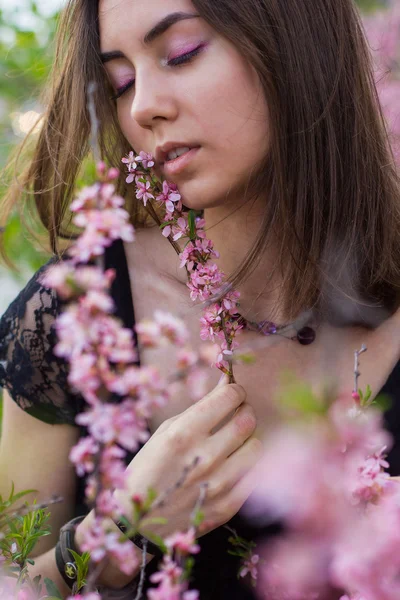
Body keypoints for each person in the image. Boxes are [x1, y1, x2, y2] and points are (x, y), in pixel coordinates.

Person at [1, 0, 400, 598]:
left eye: (182, 53)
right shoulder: (73, 314)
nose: (143, 107)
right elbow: (14, 578)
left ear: (295, 42)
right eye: (122, 82)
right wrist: (109, 539)